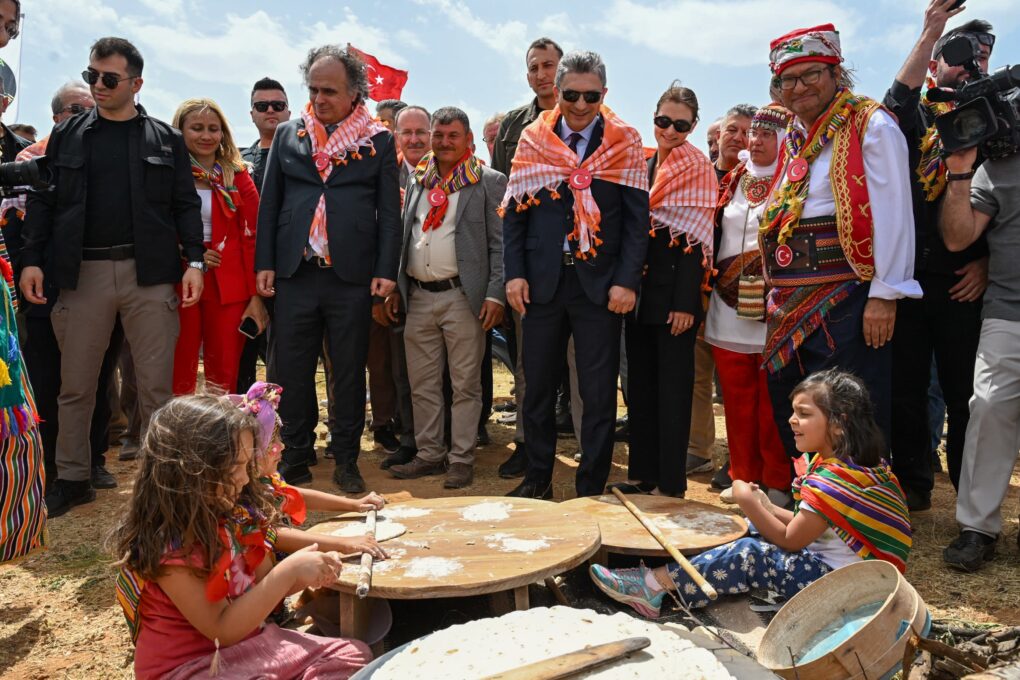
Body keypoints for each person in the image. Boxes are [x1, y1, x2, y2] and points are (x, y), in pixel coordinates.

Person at [20, 37, 205, 517]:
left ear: (136, 83)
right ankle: (73, 477)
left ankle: (163, 487)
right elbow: (43, 200)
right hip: (81, 274)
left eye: (108, 78)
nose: (97, 86)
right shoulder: (68, 136)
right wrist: (33, 260)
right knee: (76, 385)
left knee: (155, 388)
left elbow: (185, 205)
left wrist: (196, 263)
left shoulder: (165, 138)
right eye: (91, 77)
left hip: (151, 276)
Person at [590, 369, 912, 617]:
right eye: (793, 411)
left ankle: (652, 587)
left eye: (804, 413)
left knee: (751, 553)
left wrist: (748, 501)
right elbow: (812, 524)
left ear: (839, 424)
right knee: (752, 528)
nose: (792, 420)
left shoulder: (836, 480)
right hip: (850, 576)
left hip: (844, 590)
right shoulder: (850, 466)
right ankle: (668, 573)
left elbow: (791, 539)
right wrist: (764, 507)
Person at [111, 395, 372, 678]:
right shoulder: (172, 550)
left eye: (247, 465)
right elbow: (222, 630)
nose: (246, 479)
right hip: (191, 668)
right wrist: (289, 570)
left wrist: (310, 571)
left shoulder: (234, 516)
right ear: (189, 472)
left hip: (251, 645)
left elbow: (262, 591)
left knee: (354, 655)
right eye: (235, 467)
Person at [761, 24, 921, 462]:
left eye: (811, 74)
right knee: (795, 405)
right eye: (787, 80)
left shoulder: (871, 123)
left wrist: (886, 293)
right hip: (790, 297)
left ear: (836, 72)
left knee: (846, 410)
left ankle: (856, 515)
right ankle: (811, 502)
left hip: (848, 294)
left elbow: (893, 211)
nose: (799, 87)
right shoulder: (793, 136)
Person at [502, 50, 649, 499]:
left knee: (599, 393)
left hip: (601, 289)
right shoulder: (533, 139)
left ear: (604, 94)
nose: (581, 105)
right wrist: (514, 274)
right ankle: (538, 480)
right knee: (537, 388)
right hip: (542, 285)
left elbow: (636, 223)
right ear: (557, 92)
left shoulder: (624, 141)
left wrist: (627, 281)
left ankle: (591, 488)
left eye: (591, 96)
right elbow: (513, 214)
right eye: (571, 95)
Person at [255, 45, 401, 493]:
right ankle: (296, 453)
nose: (319, 99)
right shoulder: (288, 134)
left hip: (351, 277)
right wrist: (265, 264)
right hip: (296, 274)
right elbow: (271, 202)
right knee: (290, 371)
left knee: (348, 370)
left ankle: (347, 458)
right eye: (314, 89)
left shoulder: (377, 140)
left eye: (330, 91)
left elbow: (389, 213)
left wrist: (386, 270)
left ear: (355, 92)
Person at [884, 6, 993, 511]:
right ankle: (913, 485)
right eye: (961, 56)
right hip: (908, 278)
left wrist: (988, 265)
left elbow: (1008, 207)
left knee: (965, 396)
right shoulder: (915, 119)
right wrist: (932, 29)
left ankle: (971, 498)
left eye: (983, 58)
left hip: (962, 281)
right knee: (905, 390)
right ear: (935, 64)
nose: (972, 67)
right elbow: (894, 98)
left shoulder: (994, 122)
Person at [0, 83, 124, 493]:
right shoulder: (30, 159)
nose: (86, 116)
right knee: (50, 377)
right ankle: (55, 466)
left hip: (100, 284)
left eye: (92, 109)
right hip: (45, 287)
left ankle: (94, 460)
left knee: (101, 377)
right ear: (55, 117)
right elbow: (20, 232)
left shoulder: (110, 157)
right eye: (75, 109)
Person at [387, 107, 507, 489]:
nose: (443, 143)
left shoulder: (488, 182)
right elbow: (404, 238)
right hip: (418, 295)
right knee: (422, 383)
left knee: (465, 384)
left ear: (468, 139)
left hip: (463, 297)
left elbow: (500, 246)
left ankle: (461, 458)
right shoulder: (418, 180)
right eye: (438, 135)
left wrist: (495, 294)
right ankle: (429, 455)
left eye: (452, 136)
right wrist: (394, 286)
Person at [609, 82, 714, 498]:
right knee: (641, 390)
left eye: (681, 125)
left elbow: (698, 242)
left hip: (675, 303)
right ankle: (642, 476)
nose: (670, 131)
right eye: (663, 121)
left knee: (673, 393)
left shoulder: (698, 167)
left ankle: (671, 484)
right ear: (653, 118)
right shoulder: (642, 165)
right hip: (638, 298)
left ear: (693, 126)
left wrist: (687, 304)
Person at [938, 126, 1020, 571]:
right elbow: (957, 237)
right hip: (1008, 311)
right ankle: (978, 528)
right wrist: (959, 174)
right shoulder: (997, 168)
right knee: (987, 408)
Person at [709, 105, 793, 506]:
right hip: (727, 305)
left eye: (766, 135)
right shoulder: (733, 179)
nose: (755, 141)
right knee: (737, 402)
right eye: (752, 134)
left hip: (772, 309)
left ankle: (777, 482)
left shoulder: (795, 179)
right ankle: (744, 479)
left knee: (770, 403)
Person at [492, 36, 563, 480]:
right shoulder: (513, 125)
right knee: (527, 367)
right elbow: (506, 199)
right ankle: (529, 445)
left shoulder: (593, 116)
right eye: (535, 67)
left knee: (577, 366)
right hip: (530, 263)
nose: (542, 74)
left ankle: (581, 446)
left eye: (549, 65)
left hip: (580, 258)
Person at [231, 382, 388, 557]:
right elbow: (276, 535)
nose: (281, 446)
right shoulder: (239, 498)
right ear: (250, 453)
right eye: (272, 442)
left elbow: (295, 495)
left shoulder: (264, 480)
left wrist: (354, 504)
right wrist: (344, 544)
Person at [171, 98, 264, 395]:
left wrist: (255, 296)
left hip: (230, 281)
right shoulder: (169, 173)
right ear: (180, 131)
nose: (206, 135)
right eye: (196, 128)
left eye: (214, 128)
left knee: (224, 369)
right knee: (179, 362)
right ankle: (178, 432)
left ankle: (218, 434)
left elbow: (253, 236)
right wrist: (187, 251)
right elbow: (155, 224)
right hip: (179, 275)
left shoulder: (237, 175)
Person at [242, 78, 290, 193]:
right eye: (262, 106)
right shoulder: (238, 162)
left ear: (289, 114)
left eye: (278, 105)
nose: (270, 110)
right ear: (252, 115)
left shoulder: (306, 155)